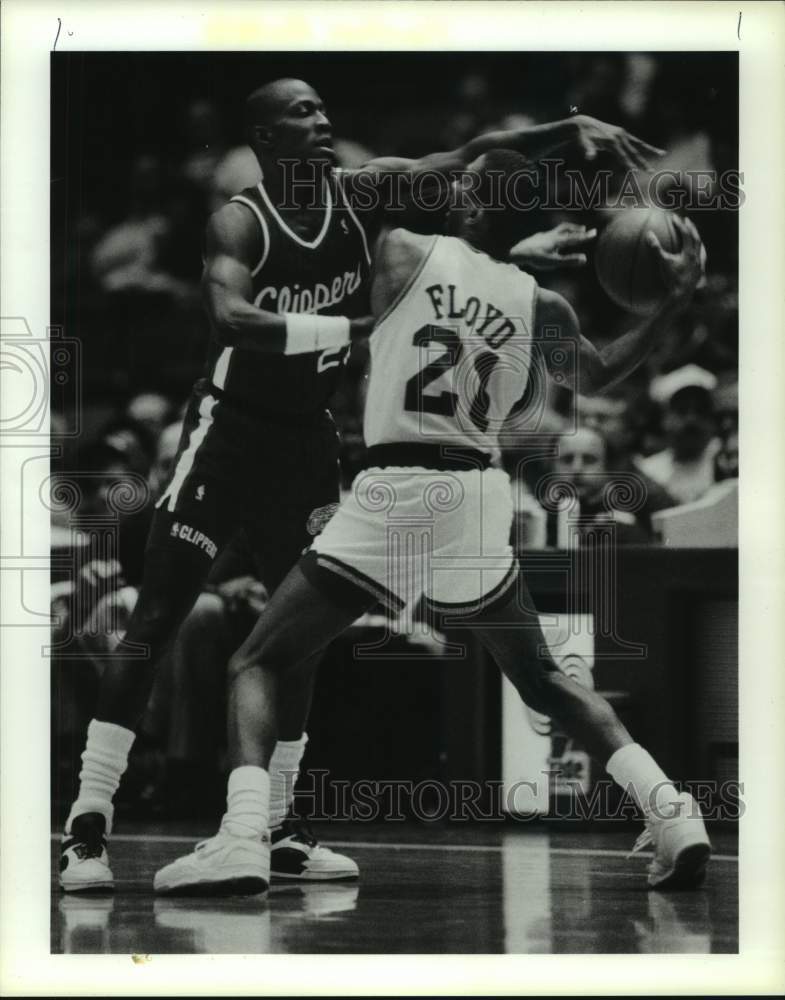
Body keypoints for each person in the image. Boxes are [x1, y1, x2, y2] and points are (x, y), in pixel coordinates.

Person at [60, 77, 664, 893]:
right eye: (300, 113)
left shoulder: (361, 194)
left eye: (322, 108)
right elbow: (232, 320)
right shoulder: (240, 219)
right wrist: (353, 326)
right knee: (159, 614)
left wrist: (567, 128)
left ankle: (278, 826)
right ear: (267, 140)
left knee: (293, 641)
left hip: (307, 440)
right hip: (227, 432)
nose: (322, 120)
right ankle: (88, 826)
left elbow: (469, 158)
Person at [637, 364, 720, 505]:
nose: (691, 419)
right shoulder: (650, 471)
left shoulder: (726, 460)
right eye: (682, 411)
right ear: (664, 418)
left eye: (700, 410)